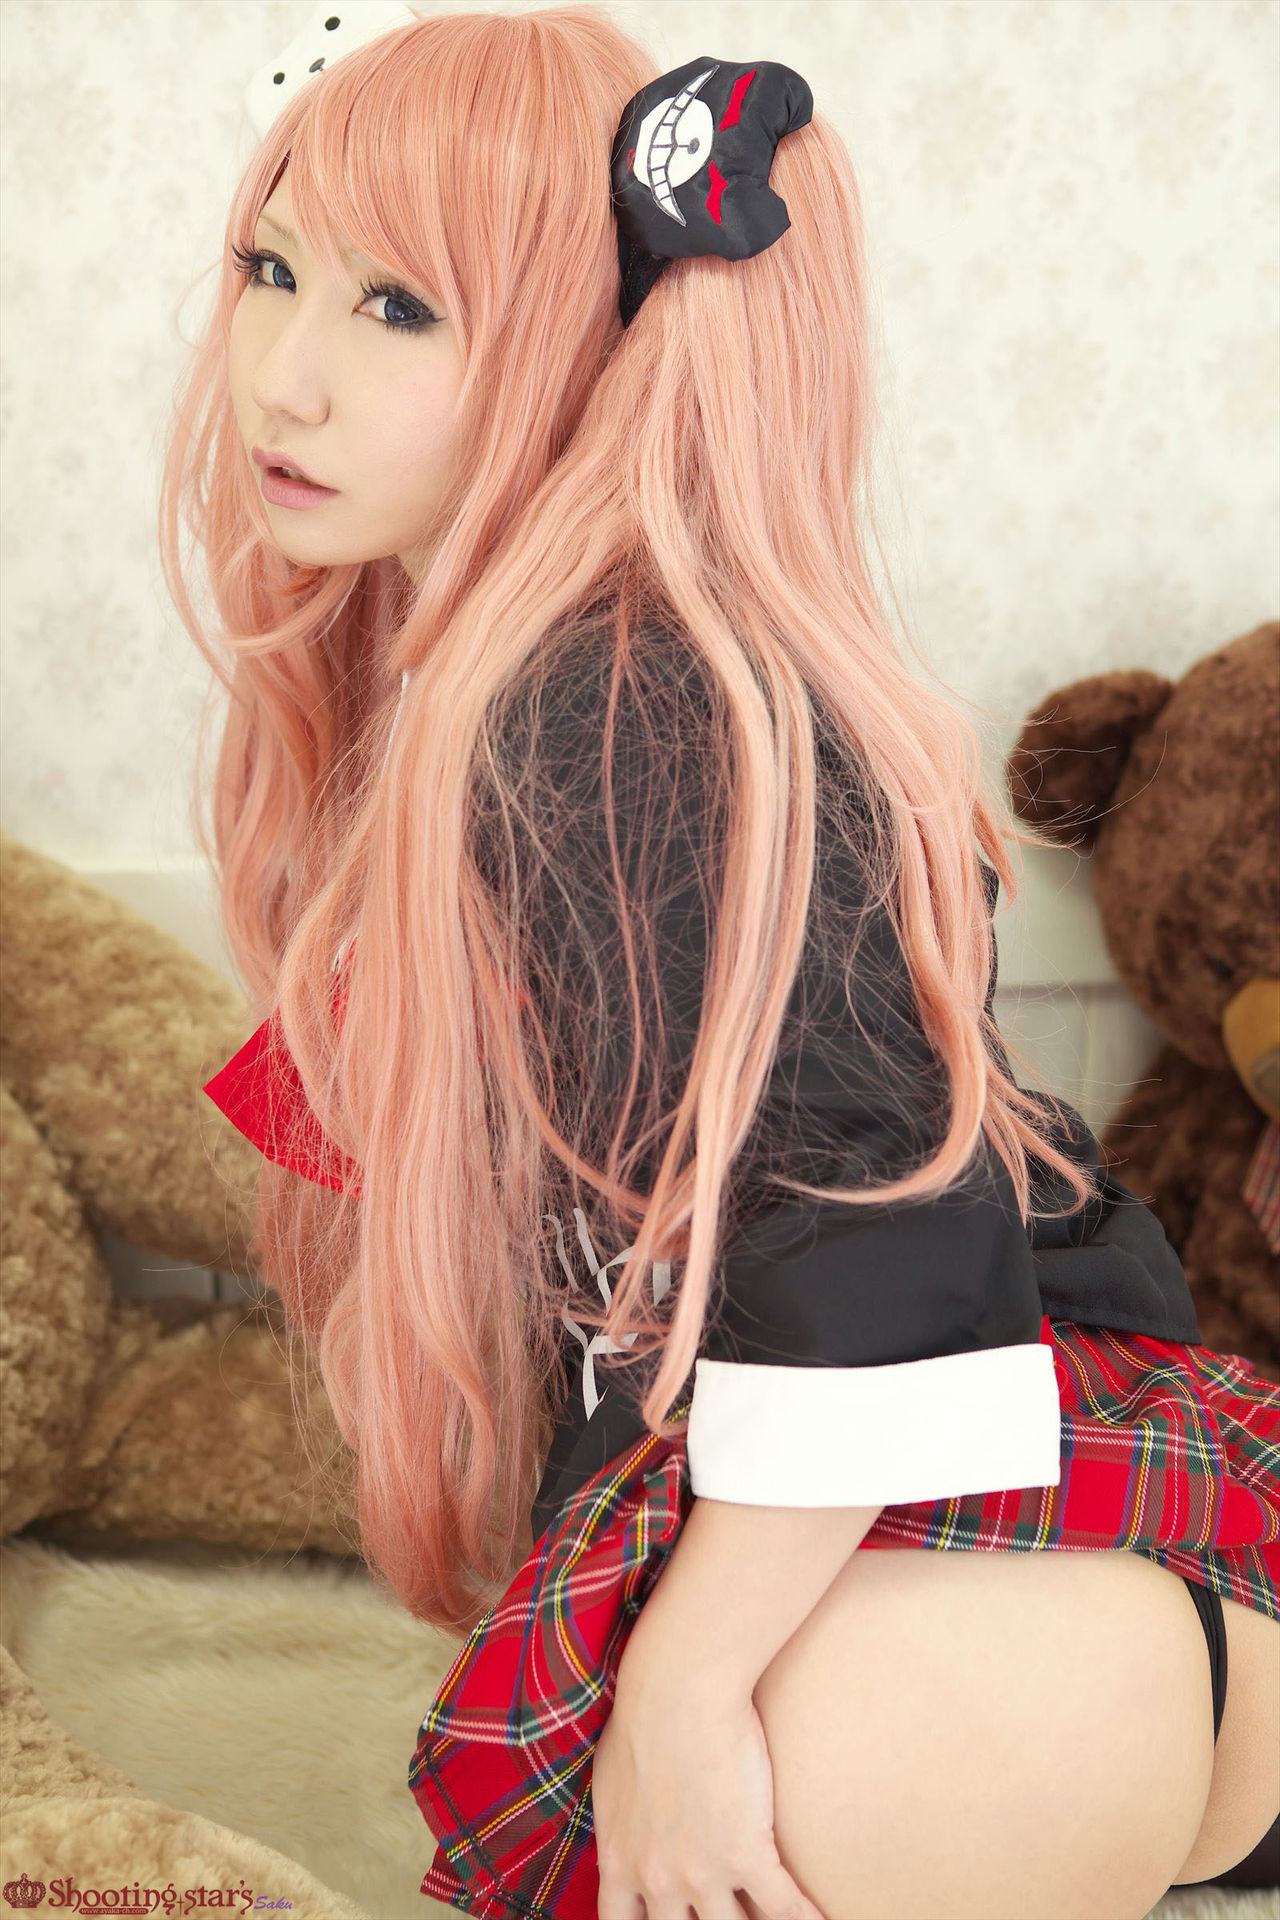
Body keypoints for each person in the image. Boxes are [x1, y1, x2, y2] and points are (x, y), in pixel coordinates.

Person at [181, 8, 1280, 1917]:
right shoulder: (553, 686)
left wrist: (682, 1690)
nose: (282, 375)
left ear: (595, 343)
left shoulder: (623, 706)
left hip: (964, 1596)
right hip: (971, 1582)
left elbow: (879, 1238)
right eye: (273, 271)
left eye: (399, 308)